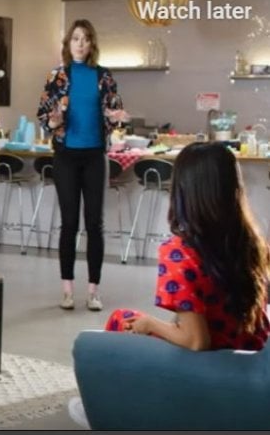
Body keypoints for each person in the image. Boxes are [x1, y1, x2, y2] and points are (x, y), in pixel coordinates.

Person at [104, 142, 270, 351]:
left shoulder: (179, 252)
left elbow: (197, 341)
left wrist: (150, 324)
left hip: (214, 359)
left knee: (120, 319)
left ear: (182, 190)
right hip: (254, 350)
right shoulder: (251, 241)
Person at [36, 19, 128, 311]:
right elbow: (44, 117)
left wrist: (117, 118)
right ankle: (67, 290)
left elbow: (115, 111)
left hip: (94, 156)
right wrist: (54, 122)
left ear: (92, 44)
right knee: (69, 223)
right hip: (66, 156)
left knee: (94, 224)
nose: (80, 44)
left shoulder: (104, 76)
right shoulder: (57, 76)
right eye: (76, 38)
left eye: (86, 39)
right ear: (68, 43)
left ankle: (93, 291)